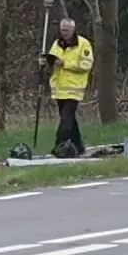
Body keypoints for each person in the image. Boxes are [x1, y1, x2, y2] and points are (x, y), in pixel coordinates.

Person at [40, 17, 94, 158]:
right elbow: (53, 60)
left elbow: (86, 65)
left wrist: (64, 64)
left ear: (73, 29)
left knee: (66, 119)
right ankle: (79, 146)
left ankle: (60, 146)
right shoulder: (57, 44)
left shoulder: (83, 44)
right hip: (59, 89)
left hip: (74, 88)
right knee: (69, 119)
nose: (64, 33)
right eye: (62, 30)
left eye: (66, 30)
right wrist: (45, 60)